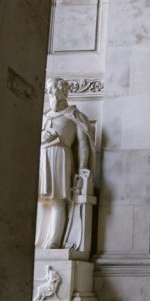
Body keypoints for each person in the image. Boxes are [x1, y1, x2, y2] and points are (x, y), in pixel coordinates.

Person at [35, 78, 95, 249]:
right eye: (48, 90)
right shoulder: (44, 116)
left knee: (58, 200)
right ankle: (40, 238)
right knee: (41, 201)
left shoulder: (75, 115)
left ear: (62, 91)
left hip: (60, 157)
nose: (50, 93)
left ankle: (54, 239)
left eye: (53, 89)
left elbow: (83, 144)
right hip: (42, 157)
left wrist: (84, 168)